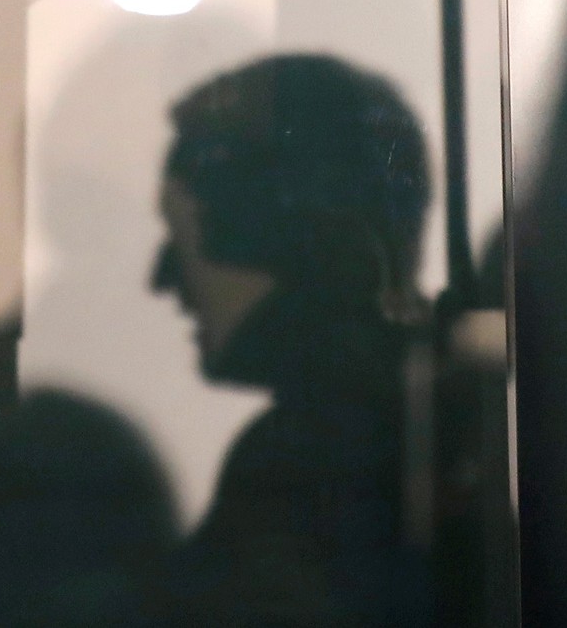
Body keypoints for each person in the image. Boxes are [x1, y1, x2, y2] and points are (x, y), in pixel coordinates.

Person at [151, 54, 435, 628]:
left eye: (181, 237)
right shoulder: (407, 419)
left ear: (279, 237)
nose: (161, 279)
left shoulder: (306, 460)